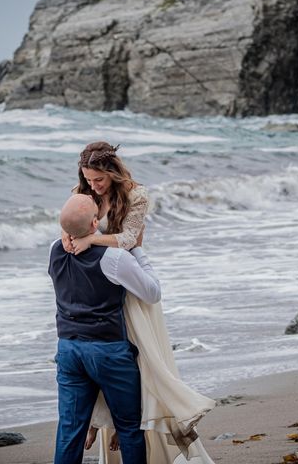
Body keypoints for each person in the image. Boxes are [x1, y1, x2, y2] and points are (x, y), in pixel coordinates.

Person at [65, 142, 216, 464]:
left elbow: (130, 239)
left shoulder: (136, 195)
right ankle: (101, 421)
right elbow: (70, 226)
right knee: (103, 357)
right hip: (97, 286)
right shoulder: (81, 193)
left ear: (113, 172)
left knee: (139, 360)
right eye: (89, 180)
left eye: (99, 180)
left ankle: (137, 426)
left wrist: (90, 239)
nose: (93, 186)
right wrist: (68, 237)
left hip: (129, 285)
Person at [49, 193, 162, 464]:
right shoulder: (113, 258)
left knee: (69, 430)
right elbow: (152, 292)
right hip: (108, 351)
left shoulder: (54, 248)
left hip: (68, 349)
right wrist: (136, 248)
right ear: (93, 224)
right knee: (128, 428)